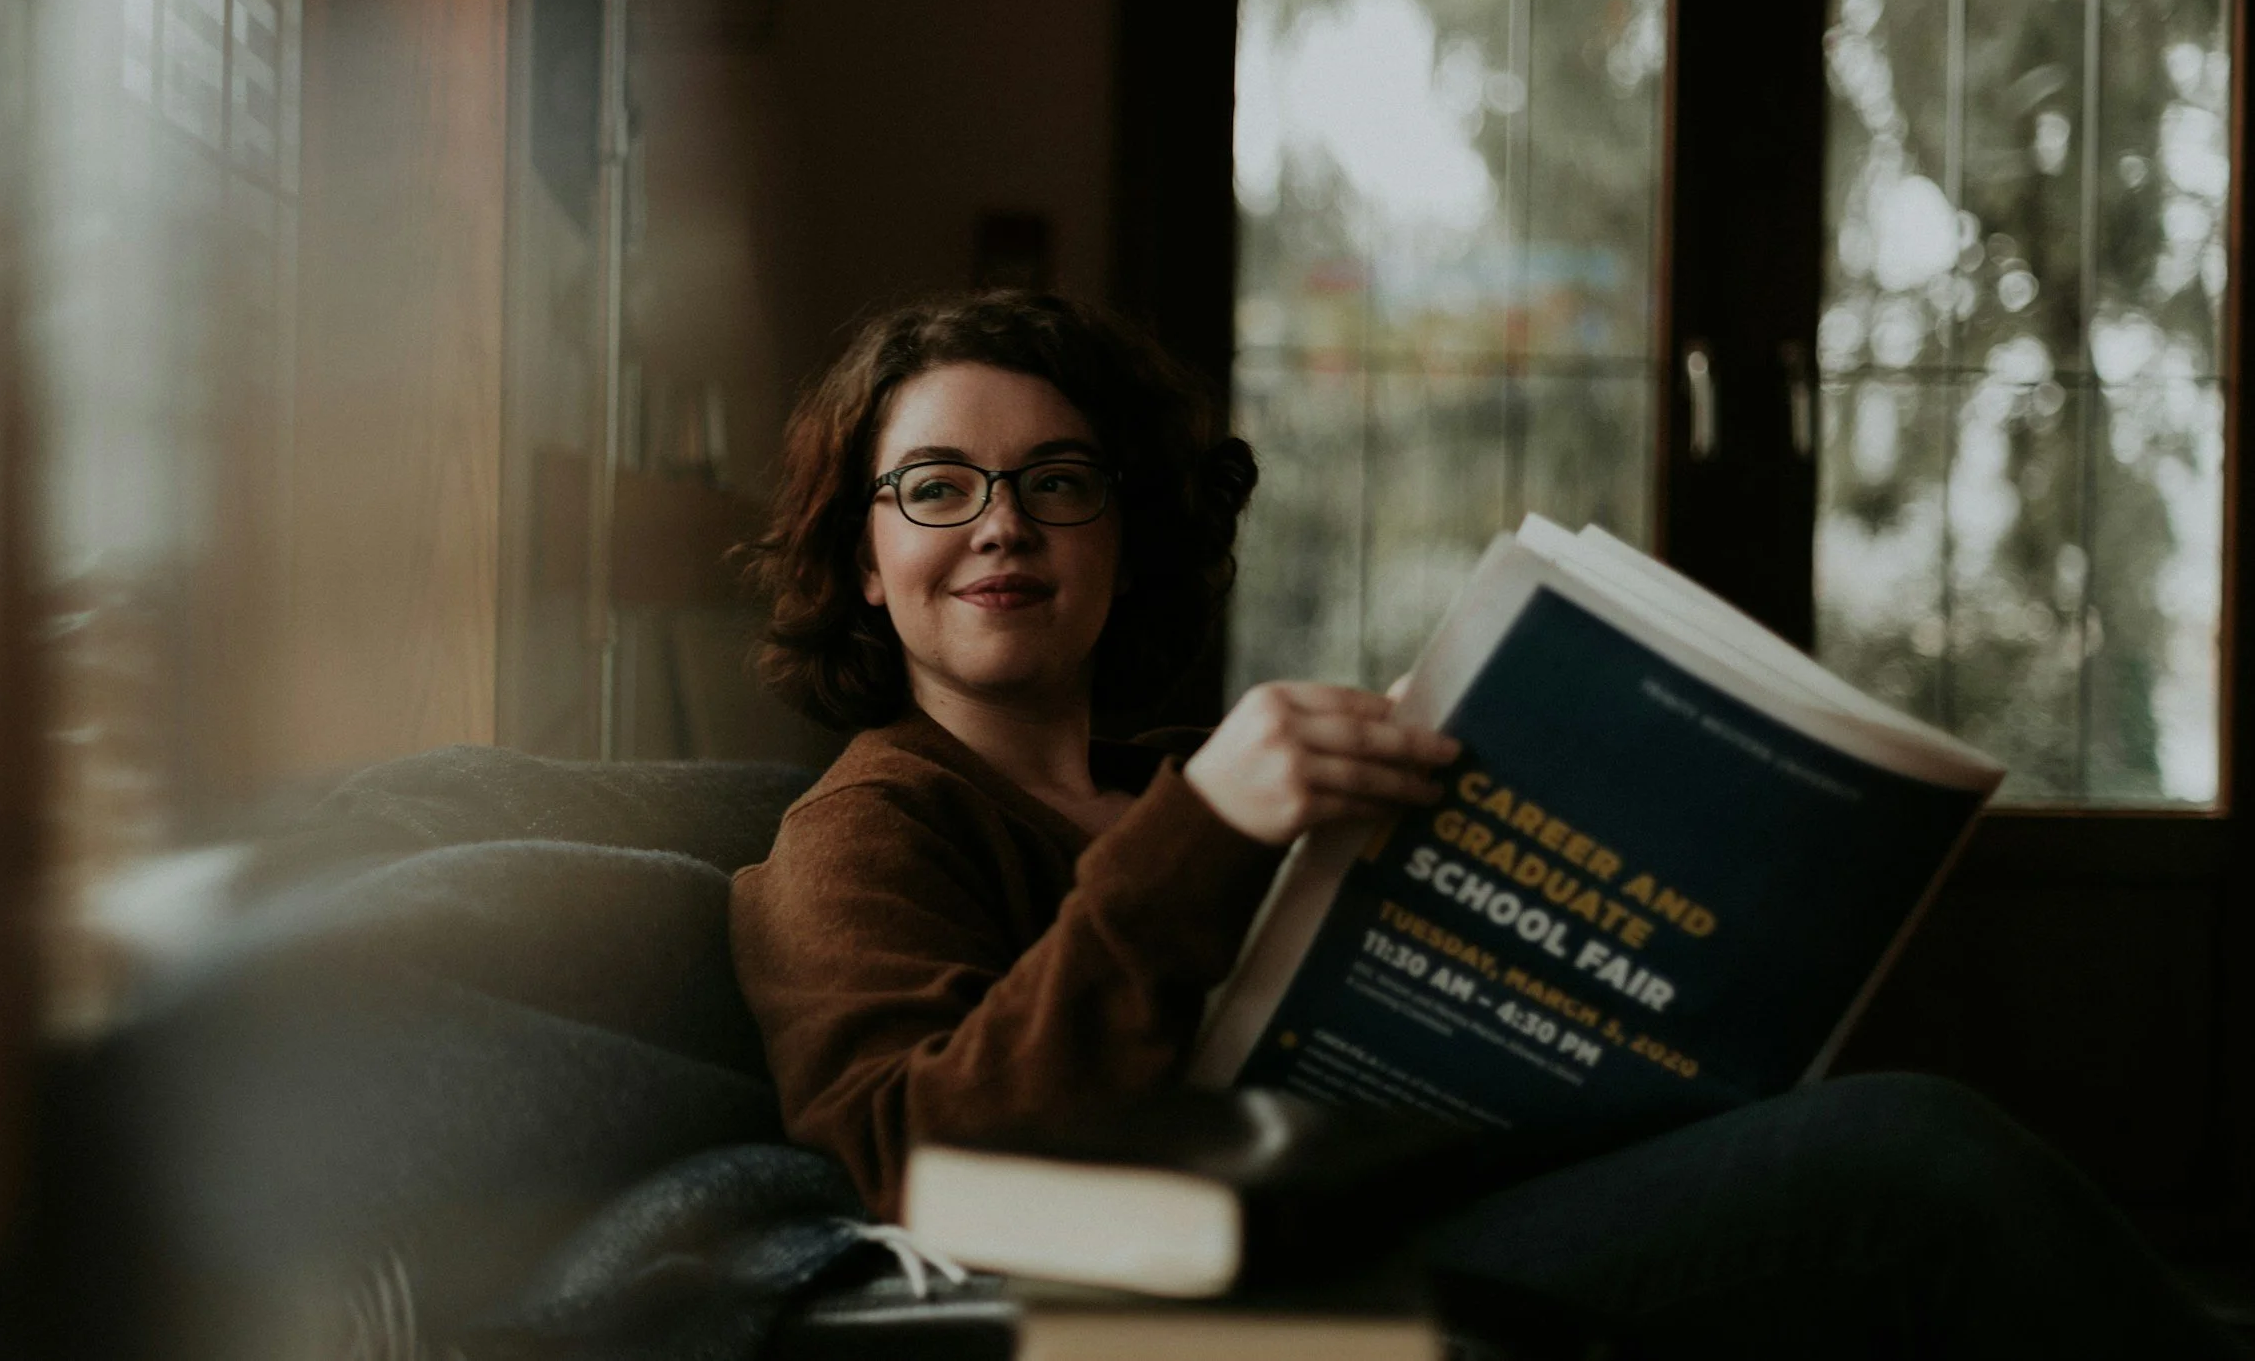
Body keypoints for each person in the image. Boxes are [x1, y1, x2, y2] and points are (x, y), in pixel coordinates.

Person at [730, 288, 2239, 1359]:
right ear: (864, 561)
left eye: (1058, 481)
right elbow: (912, 1160)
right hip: (1240, 1291)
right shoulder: (866, 825)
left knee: (1887, 1149)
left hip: (1444, 1197)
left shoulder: (1197, 762)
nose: (1001, 522)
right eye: (935, 487)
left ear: (1127, 536)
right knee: (1917, 1162)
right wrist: (1201, 833)